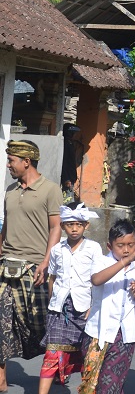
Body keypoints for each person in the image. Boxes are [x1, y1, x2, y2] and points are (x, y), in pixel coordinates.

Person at [0, 140, 63, 391]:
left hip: (34, 267)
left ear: (26, 161)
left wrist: (46, 262)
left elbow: (56, 227)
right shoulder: (10, 190)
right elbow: (5, 228)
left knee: (41, 326)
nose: (8, 165)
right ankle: (2, 378)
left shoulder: (50, 190)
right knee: (1, 321)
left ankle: (60, 363)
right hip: (7, 266)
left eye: (11, 160)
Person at [79, 219, 135, 394]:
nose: (126, 250)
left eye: (131, 245)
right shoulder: (101, 262)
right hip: (97, 334)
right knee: (91, 386)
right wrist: (125, 262)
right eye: (120, 245)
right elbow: (96, 280)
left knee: (111, 385)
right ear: (110, 246)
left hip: (124, 336)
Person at [38, 203, 103, 394]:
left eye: (78, 224)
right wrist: (53, 303)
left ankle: (87, 388)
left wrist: (94, 305)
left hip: (84, 308)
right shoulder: (58, 249)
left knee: (86, 354)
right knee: (51, 353)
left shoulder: (93, 248)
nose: (74, 228)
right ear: (63, 226)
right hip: (59, 309)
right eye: (69, 224)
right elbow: (53, 278)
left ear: (86, 226)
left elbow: (98, 280)